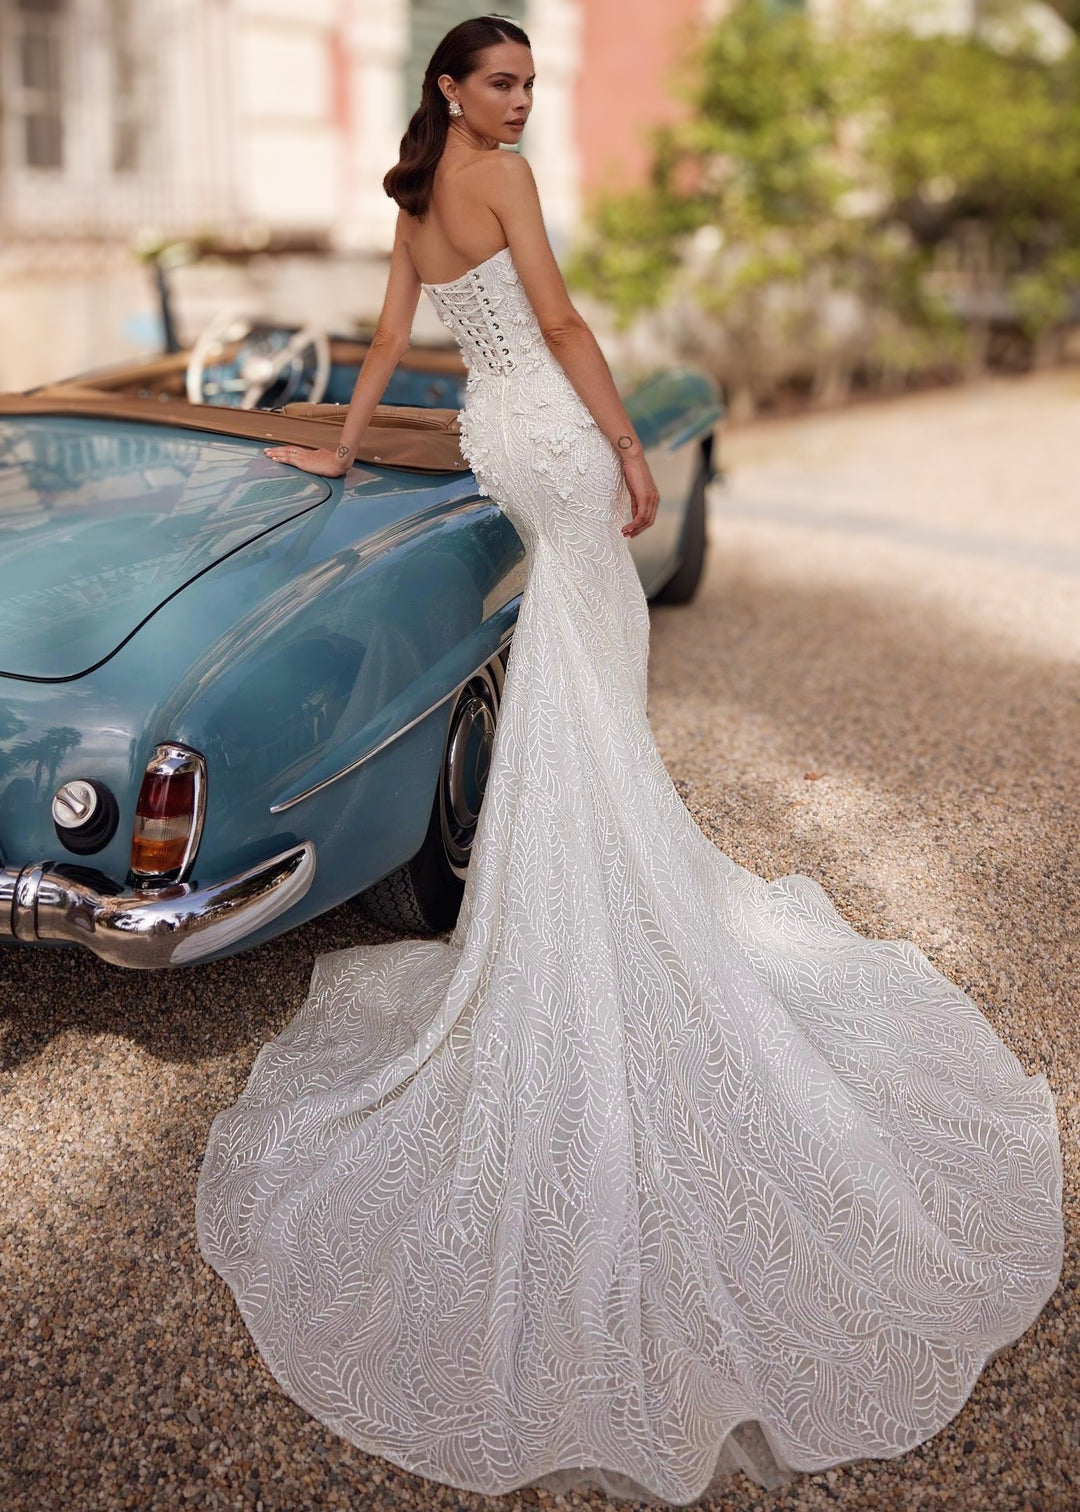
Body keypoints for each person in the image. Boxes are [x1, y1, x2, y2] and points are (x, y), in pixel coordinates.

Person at [196, 15, 1063, 1506]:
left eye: (534, 84)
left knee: (576, 685)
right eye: (503, 83)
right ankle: (598, 899)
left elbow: (395, 341)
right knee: (595, 677)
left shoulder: (409, 199)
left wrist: (341, 448)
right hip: (553, 430)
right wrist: (632, 448)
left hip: (491, 438)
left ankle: (566, 886)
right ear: (452, 90)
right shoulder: (506, 184)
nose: (524, 104)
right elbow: (570, 324)